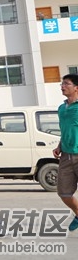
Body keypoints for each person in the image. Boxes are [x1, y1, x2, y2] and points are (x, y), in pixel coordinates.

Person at [54, 73, 78, 232]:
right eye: (62, 84)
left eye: (66, 84)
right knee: (63, 193)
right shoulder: (62, 108)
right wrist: (59, 146)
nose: (63, 87)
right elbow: (65, 130)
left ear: (76, 88)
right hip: (66, 156)